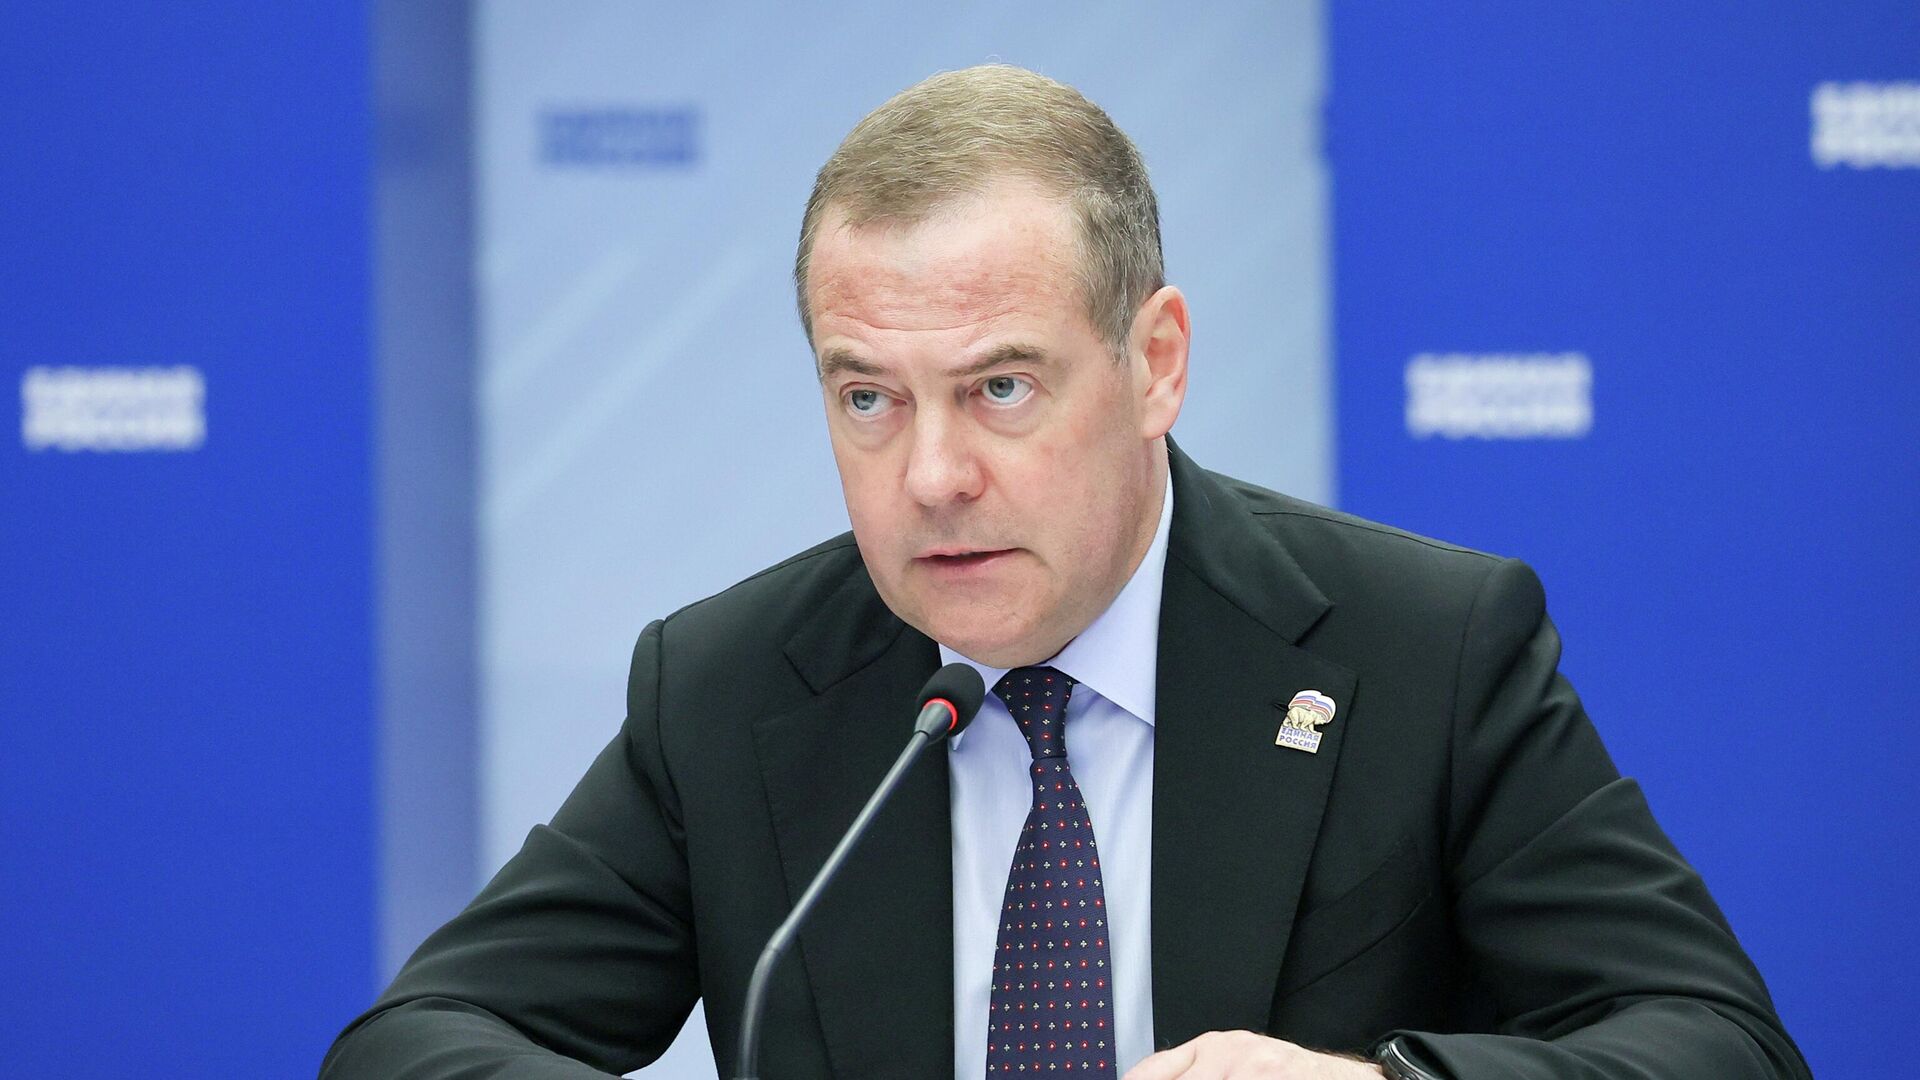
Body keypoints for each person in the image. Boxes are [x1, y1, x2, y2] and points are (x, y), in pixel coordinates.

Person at [322, 65, 1809, 1080]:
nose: (932, 476)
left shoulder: (1422, 648)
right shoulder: (731, 688)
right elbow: (414, 1042)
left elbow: (1719, 1044)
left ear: (1154, 363)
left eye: (1001, 388)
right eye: (867, 396)